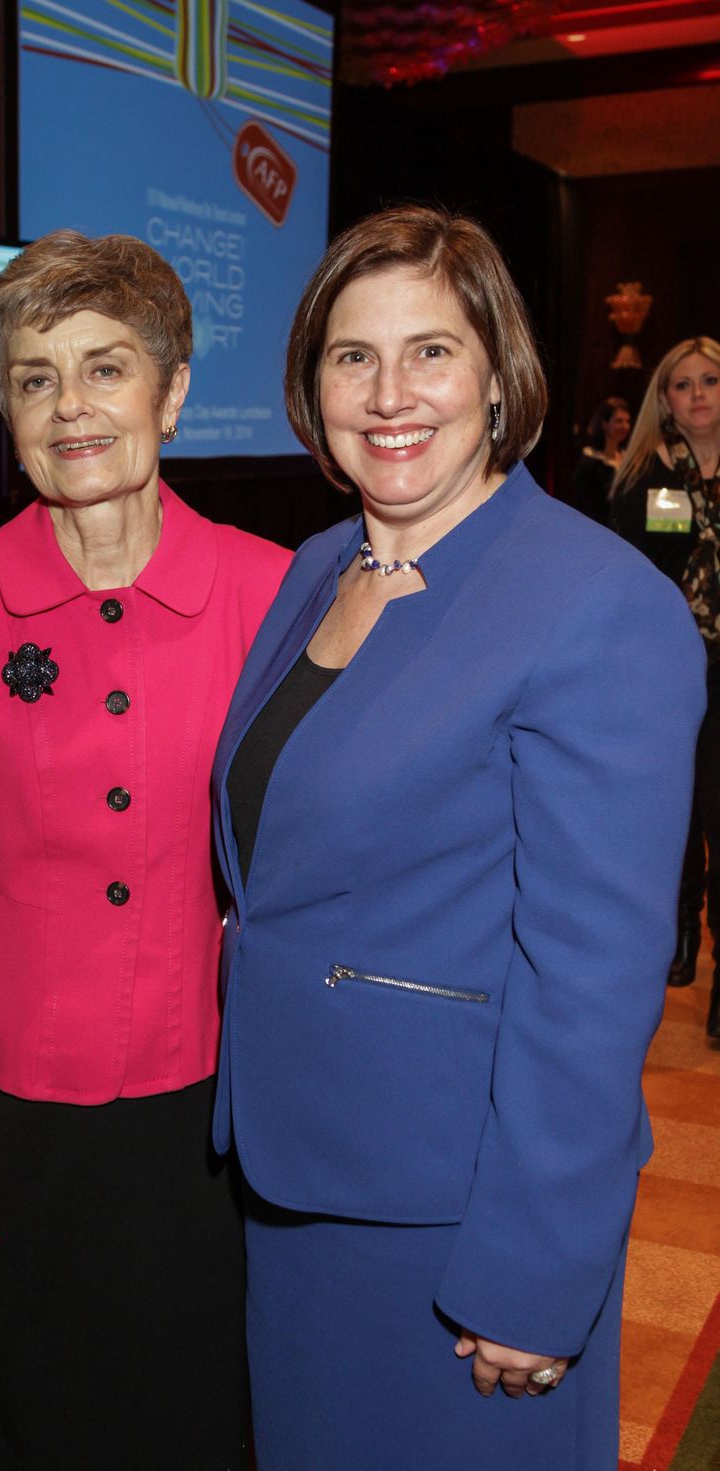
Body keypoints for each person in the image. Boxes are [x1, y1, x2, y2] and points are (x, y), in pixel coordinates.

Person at [210, 207, 704, 1471]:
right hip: (295, 1177)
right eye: (349, 355)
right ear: (309, 384)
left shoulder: (597, 605)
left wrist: (532, 1272)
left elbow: (589, 986)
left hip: (453, 1216)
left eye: (429, 350)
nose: (387, 393)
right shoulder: (319, 563)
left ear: (499, 375)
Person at [0, 229, 290, 1470]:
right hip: (5, 1102)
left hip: (210, 1099)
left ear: (170, 388)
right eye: (35, 377)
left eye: (107, 368)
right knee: (28, 1412)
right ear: (4, 409)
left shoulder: (276, 594)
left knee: (194, 1410)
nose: (72, 406)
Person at [611, 337, 720, 1035]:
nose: (699, 394)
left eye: (711, 380)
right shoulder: (647, 476)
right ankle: (681, 926)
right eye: (683, 384)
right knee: (683, 808)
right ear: (665, 399)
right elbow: (633, 572)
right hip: (678, 661)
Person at [570, 396, 631, 524]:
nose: (625, 426)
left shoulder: (628, 458)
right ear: (604, 424)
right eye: (619, 421)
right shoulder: (589, 464)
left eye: (627, 421)